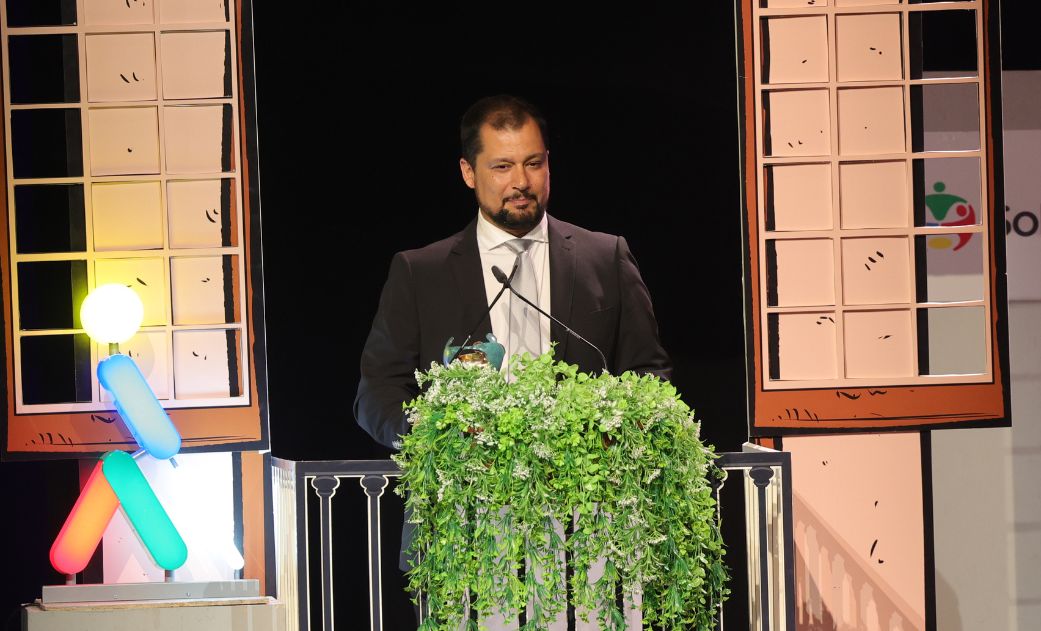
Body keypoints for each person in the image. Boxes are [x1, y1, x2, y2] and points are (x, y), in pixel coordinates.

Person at [353, 95, 671, 624]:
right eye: (501, 166)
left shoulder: (605, 257)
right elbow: (376, 393)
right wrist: (438, 433)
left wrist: (616, 431)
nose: (520, 180)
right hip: (466, 532)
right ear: (468, 173)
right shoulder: (420, 272)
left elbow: (649, 374)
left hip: (592, 529)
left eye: (533, 162)